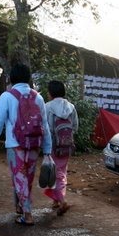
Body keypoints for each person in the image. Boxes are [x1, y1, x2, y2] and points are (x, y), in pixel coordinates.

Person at [0, 63, 52, 226]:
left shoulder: (7, 97)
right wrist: (47, 149)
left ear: (11, 78)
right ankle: (21, 207)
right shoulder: (38, 97)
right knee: (26, 178)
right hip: (34, 144)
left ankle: (27, 215)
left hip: (15, 145)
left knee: (19, 178)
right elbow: (45, 125)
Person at [43, 80, 78, 215]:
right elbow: (75, 126)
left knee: (55, 173)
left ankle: (62, 201)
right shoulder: (71, 107)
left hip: (52, 144)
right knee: (61, 171)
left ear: (51, 93)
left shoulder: (47, 107)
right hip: (67, 145)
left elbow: (45, 127)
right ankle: (56, 200)